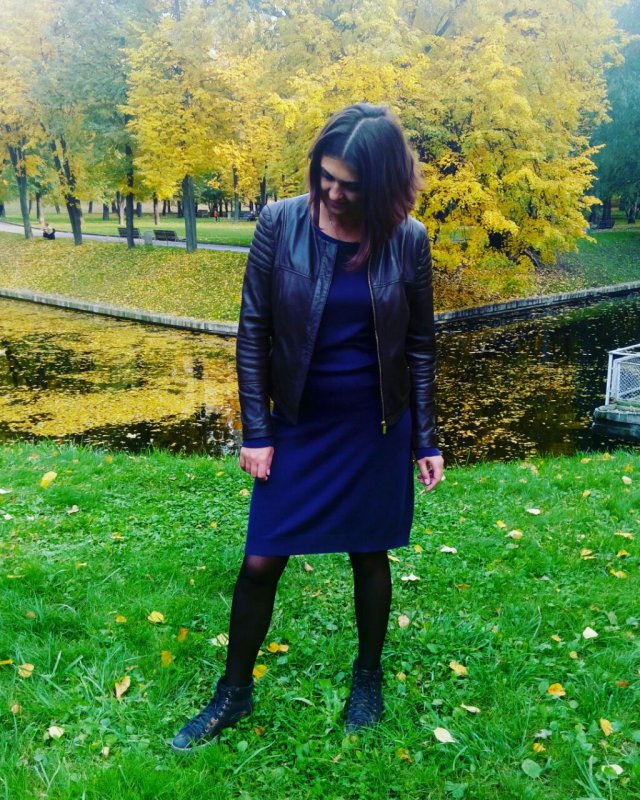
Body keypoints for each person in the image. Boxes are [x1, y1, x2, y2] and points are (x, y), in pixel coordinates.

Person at [171, 104, 444, 752]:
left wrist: (425, 439)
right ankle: (234, 691)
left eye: (350, 184)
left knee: (368, 553)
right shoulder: (280, 222)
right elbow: (253, 333)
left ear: (381, 184)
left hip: (374, 424)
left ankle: (367, 678)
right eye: (326, 176)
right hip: (297, 419)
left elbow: (420, 345)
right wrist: (256, 431)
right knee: (261, 559)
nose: (333, 192)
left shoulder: (408, 239)